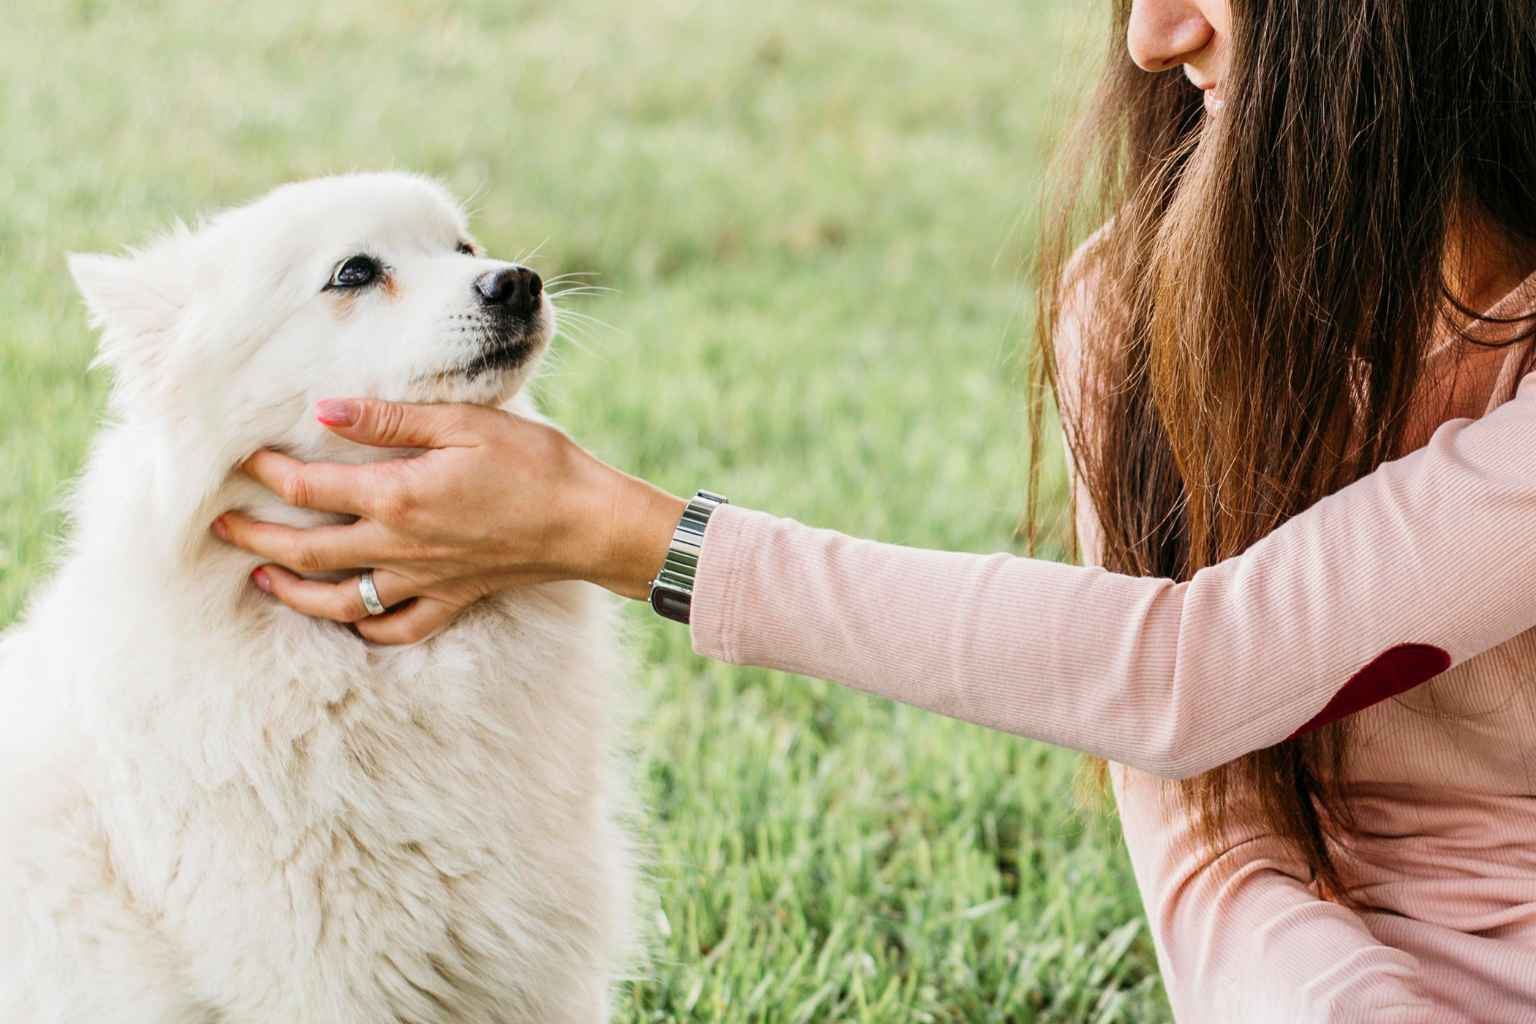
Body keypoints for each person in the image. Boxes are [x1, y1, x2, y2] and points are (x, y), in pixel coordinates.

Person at [212, 0, 1536, 1019]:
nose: (1151, 36)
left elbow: (1193, 671)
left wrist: (623, 535)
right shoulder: (1138, 316)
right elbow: (1214, 843)